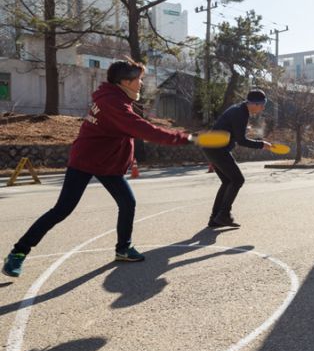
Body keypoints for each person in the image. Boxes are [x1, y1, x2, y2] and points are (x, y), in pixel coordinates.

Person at [2, 58, 191, 279]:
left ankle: (123, 249)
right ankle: (18, 253)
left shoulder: (113, 96)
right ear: (125, 81)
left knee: (127, 202)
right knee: (62, 209)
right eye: (139, 79)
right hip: (85, 161)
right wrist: (185, 138)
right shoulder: (114, 103)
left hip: (106, 163)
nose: (141, 83)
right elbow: (145, 130)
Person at [203, 89, 273, 228]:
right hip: (217, 149)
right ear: (253, 103)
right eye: (261, 105)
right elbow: (241, 141)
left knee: (228, 181)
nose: (262, 108)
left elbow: (229, 130)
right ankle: (223, 215)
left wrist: (241, 130)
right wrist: (261, 145)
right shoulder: (240, 113)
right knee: (237, 180)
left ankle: (215, 218)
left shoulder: (239, 110)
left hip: (212, 147)